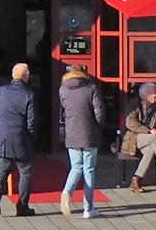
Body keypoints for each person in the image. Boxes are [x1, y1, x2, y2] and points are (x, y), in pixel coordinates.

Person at [0, 63, 37, 217]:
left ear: (12, 74)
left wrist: (1, 127)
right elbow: (32, 122)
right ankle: (22, 206)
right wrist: (31, 137)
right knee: (25, 171)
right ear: (27, 76)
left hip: (3, 135)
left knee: (4, 166)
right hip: (21, 136)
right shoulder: (30, 95)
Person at [59, 64, 105, 218]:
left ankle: (67, 191)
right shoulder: (91, 88)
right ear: (83, 74)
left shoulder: (63, 90)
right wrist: (98, 128)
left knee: (76, 167)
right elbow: (99, 112)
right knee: (89, 170)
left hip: (72, 133)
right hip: (89, 134)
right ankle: (88, 208)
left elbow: (63, 112)